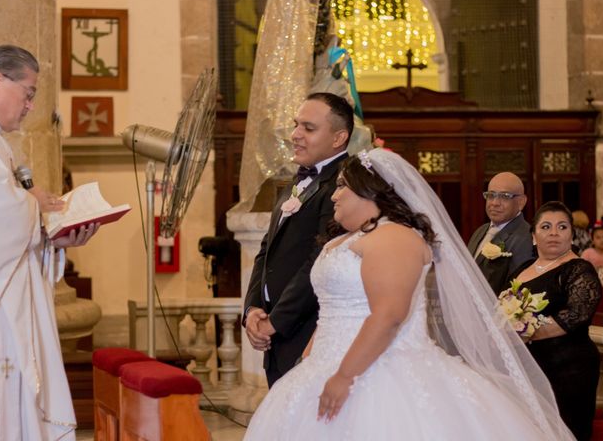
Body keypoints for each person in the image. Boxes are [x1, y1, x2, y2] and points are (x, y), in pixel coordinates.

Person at [245, 149, 573, 440]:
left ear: (370, 191)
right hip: (323, 364)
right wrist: (310, 358)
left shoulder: (394, 237)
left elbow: (389, 315)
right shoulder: (346, 239)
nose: (334, 196)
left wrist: (345, 376)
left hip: (383, 370)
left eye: (344, 186)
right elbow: (332, 308)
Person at [0, 45, 99, 440]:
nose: (30, 106)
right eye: (28, 92)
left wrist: (55, 234)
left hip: (1, 296)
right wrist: (34, 206)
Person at [243, 92, 353, 387]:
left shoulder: (345, 186)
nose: (295, 135)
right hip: (278, 335)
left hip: (309, 332)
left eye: (309, 128)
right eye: (296, 125)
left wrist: (275, 322)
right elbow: (268, 249)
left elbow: (319, 260)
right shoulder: (298, 181)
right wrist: (252, 309)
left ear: (338, 138)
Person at [507, 201, 601, 440]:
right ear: (534, 236)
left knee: (566, 431)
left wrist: (519, 330)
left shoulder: (579, 269)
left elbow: (574, 315)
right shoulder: (523, 269)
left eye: (562, 227)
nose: (554, 233)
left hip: (570, 367)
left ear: (572, 234)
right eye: (546, 226)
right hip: (530, 365)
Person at [467, 172, 534, 295]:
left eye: (504, 196)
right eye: (491, 195)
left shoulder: (526, 237)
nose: (494, 203)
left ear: (521, 202)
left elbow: (518, 290)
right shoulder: (480, 231)